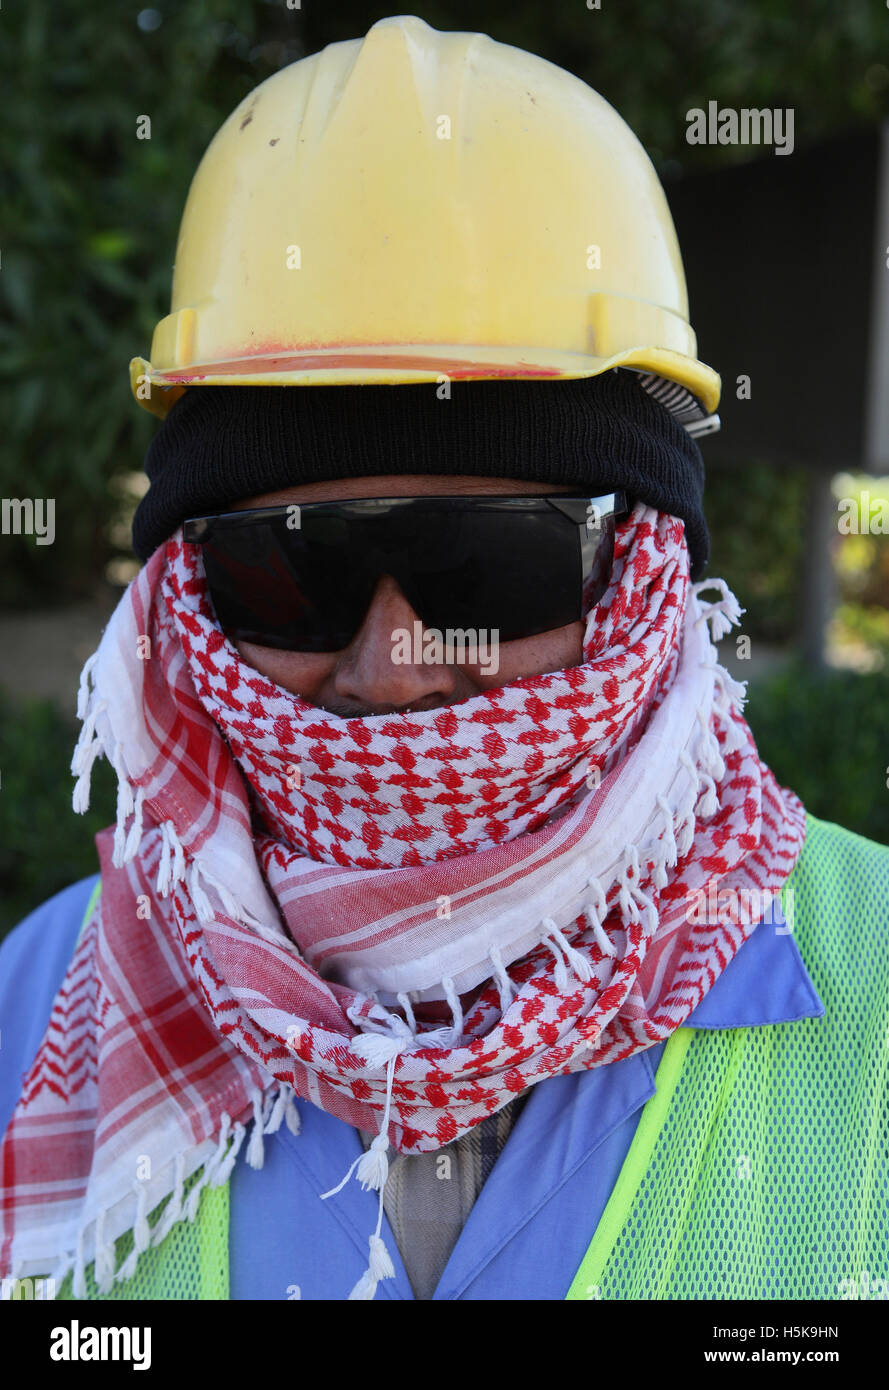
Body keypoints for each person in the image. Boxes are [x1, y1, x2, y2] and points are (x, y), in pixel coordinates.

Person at [1, 15, 887, 1304]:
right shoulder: (32, 1016)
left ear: (641, 575)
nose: (394, 669)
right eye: (291, 566)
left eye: (490, 562)